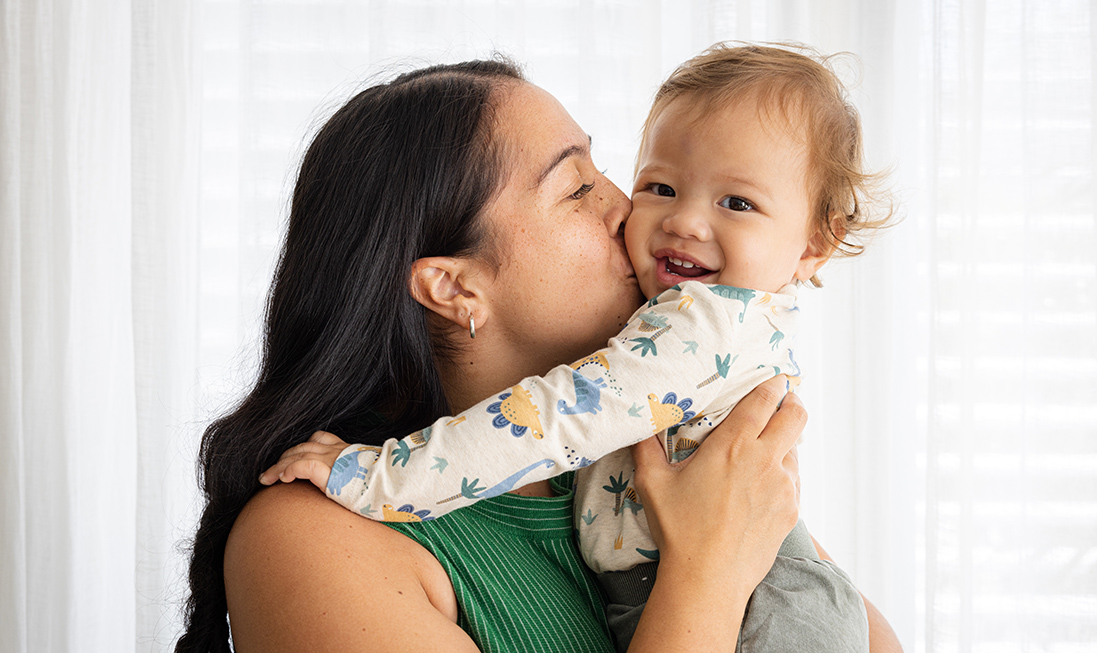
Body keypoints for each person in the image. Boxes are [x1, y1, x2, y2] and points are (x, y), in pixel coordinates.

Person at [179, 58, 901, 652]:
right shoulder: (311, 541)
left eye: (608, 172)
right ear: (455, 287)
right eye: (578, 188)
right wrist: (706, 570)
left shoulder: (630, 446)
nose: (632, 210)